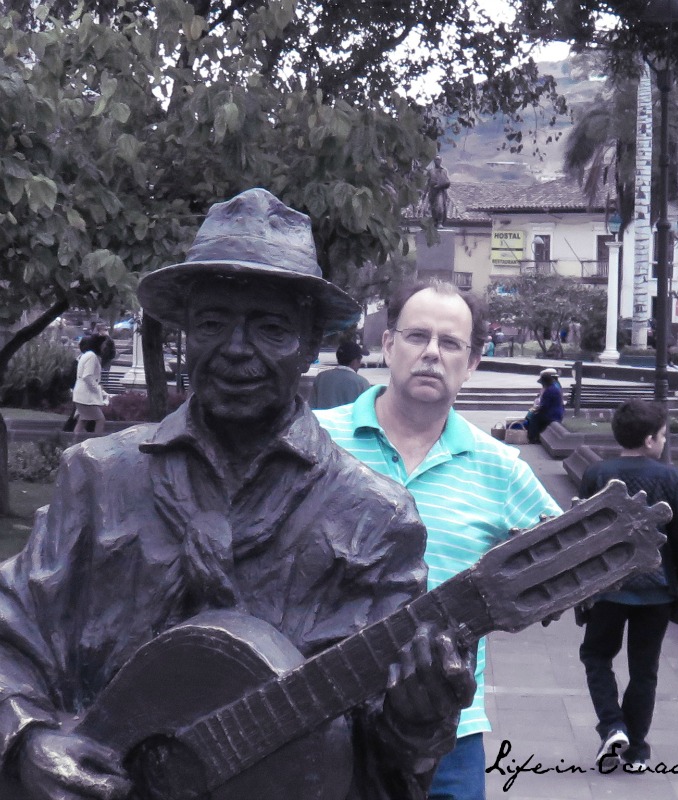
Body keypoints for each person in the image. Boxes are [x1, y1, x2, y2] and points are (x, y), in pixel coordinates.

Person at [0, 189, 476, 800]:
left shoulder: (373, 519)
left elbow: (381, 765)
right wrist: (27, 737)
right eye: (212, 323)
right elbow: (10, 632)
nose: (236, 349)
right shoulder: (99, 478)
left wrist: (418, 717)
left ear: (309, 344)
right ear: (185, 337)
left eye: (270, 328)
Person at [315, 279, 562, 800]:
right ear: (388, 347)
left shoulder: (501, 470)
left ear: (471, 363)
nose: (432, 353)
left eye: (450, 343)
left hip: (448, 732)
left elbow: (561, 555)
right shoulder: (314, 441)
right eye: (417, 336)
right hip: (320, 719)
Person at [576, 399, 678, 772]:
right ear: (648, 440)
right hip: (656, 591)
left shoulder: (597, 474)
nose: (663, 442)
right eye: (662, 436)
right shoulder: (672, 478)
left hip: (606, 589)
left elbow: (581, 537)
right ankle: (637, 749)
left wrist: (582, 594)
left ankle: (613, 726)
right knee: (645, 669)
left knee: (597, 657)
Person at [309, 339, 370, 409]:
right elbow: (366, 411)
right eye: (360, 360)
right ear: (355, 361)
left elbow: (311, 408)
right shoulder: (362, 383)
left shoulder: (320, 378)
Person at [72, 333, 108, 434]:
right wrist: (97, 388)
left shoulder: (87, 355)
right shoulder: (92, 357)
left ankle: (74, 443)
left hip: (80, 395)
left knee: (82, 421)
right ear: (98, 344)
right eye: (103, 344)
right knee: (100, 420)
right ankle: (96, 444)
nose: (105, 346)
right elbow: (87, 376)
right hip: (85, 397)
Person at [524, 367, 564, 444]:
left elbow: (544, 406)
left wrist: (535, 410)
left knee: (534, 417)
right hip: (554, 411)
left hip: (553, 414)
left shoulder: (550, 390)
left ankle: (533, 437)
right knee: (533, 415)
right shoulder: (553, 387)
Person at [426, 155, 450, 228]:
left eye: (439, 160)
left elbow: (447, 181)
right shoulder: (430, 171)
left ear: (441, 161)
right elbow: (428, 182)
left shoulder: (444, 171)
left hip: (441, 192)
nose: (437, 161)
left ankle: (440, 222)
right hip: (433, 192)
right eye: (436, 159)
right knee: (433, 208)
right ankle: (435, 222)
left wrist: (440, 185)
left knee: (440, 207)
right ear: (434, 161)